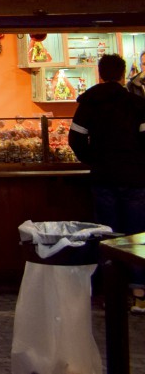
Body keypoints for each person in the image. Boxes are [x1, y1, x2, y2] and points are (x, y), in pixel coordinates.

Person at [69, 53, 145, 310]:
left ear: (99, 74)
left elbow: (75, 139)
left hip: (103, 177)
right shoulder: (136, 103)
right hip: (135, 178)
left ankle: (111, 294)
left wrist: (94, 160)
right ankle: (139, 294)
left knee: (107, 234)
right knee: (136, 236)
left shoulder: (89, 103)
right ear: (123, 75)